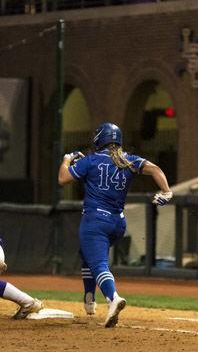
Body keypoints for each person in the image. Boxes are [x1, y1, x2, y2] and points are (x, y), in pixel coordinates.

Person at [58, 122, 173, 327]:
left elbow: (63, 178)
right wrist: (166, 191)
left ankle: (113, 298)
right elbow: (155, 169)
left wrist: (67, 160)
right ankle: (89, 297)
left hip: (95, 221)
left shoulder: (91, 161)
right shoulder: (128, 160)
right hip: (118, 224)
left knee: (99, 263)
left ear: (99, 139)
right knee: (87, 254)